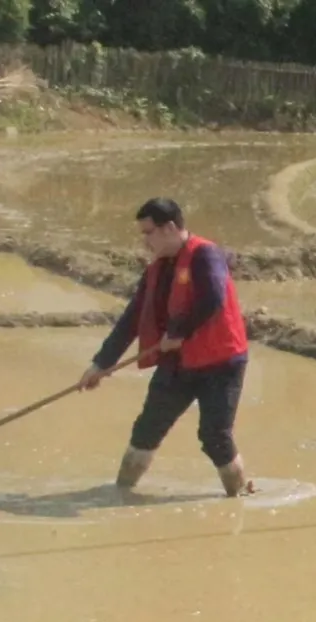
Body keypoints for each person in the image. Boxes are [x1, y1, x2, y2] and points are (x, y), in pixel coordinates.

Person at [79, 197, 255, 498]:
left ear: (170, 228)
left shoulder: (205, 255)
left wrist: (180, 331)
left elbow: (212, 297)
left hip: (220, 363)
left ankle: (237, 494)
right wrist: (101, 364)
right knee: (147, 428)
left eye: (148, 233)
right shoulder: (157, 271)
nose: (144, 241)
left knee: (214, 436)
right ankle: (119, 492)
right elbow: (132, 318)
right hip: (179, 363)